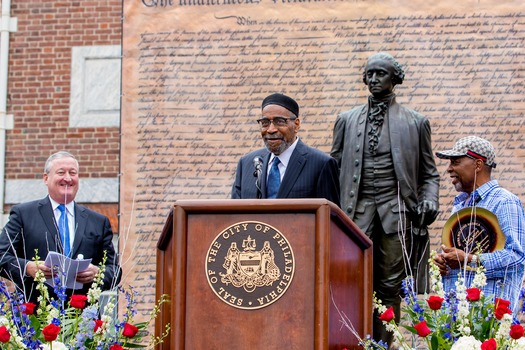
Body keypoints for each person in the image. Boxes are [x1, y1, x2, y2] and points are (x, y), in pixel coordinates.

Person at [330, 53, 440, 345]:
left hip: (397, 215)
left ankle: (384, 344)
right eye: (370, 74)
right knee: (350, 282)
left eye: (381, 74)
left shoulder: (416, 123)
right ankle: (353, 342)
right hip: (355, 214)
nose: (374, 79)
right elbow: (334, 169)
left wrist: (430, 200)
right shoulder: (346, 120)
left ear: (395, 79)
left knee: (390, 286)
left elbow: (430, 174)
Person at [0, 151, 121, 304]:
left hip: (82, 318)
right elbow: (1, 255)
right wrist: (27, 268)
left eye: (73, 173)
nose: (68, 178)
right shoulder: (24, 214)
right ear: (46, 178)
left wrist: (98, 273)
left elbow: (115, 271)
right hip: (35, 317)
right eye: (61, 172)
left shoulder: (98, 222)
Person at [433, 136, 525, 310]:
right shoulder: (461, 204)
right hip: (456, 319)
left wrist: (470, 259)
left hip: (489, 321)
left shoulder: (505, 201)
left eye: (456, 162)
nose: (449, 169)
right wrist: (443, 263)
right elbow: (459, 256)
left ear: (478, 165)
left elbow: (518, 258)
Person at [231, 92, 340, 206]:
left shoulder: (321, 164)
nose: (271, 129)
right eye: (265, 123)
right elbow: (234, 215)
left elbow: (329, 218)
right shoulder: (246, 164)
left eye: (280, 122)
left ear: (296, 125)